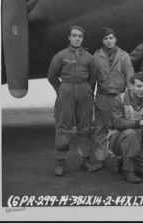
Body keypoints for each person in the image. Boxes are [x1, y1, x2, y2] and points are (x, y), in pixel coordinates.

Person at [47, 25, 99, 176]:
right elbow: (52, 76)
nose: (77, 38)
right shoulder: (60, 56)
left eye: (80, 36)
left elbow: (93, 77)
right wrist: (61, 90)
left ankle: (85, 160)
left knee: (85, 127)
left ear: (82, 39)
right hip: (66, 92)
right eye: (74, 36)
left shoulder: (89, 57)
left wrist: (87, 90)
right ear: (69, 37)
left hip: (84, 93)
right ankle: (60, 162)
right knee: (63, 127)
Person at [93, 27, 134, 169]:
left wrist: (129, 99)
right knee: (100, 128)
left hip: (119, 96)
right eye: (106, 39)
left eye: (111, 38)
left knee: (120, 128)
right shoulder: (96, 57)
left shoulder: (124, 56)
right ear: (102, 41)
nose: (108, 41)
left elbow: (130, 78)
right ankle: (99, 159)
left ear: (115, 39)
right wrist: (91, 96)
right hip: (102, 96)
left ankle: (120, 159)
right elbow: (92, 79)